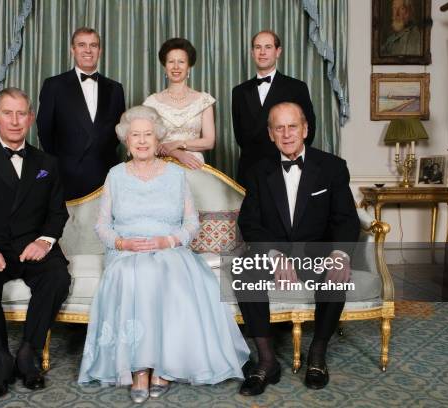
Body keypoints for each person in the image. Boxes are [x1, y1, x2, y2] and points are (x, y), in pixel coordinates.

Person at [78, 106, 249, 403]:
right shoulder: (115, 175)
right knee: (138, 274)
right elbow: (102, 225)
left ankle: (163, 366)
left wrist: (166, 240)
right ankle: (140, 369)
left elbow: (191, 224)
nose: (142, 141)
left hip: (168, 247)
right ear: (126, 140)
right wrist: (123, 244)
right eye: (135, 135)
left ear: (158, 140)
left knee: (165, 273)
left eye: (148, 135)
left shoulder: (175, 174)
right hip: (126, 250)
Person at [236, 102, 359, 394]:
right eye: (279, 128)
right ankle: (267, 361)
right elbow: (250, 223)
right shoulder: (257, 171)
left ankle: (317, 355)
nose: (287, 134)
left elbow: (346, 219)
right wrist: (274, 255)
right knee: (244, 274)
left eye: (293, 126)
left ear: (305, 129)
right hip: (275, 252)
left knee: (336, 274)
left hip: (316, 252)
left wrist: (340, 255)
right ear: (270, 134)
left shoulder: (332, 167)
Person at [0, 88, 71, 399]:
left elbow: (57, 212)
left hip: (32, 245)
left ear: (31, 118)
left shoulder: (48, 163)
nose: (15, 121)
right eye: (8, 113)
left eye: (22, 113)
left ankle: (27, 351)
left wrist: (45, 241)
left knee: (58, 277)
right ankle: (3, 358)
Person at [37, 27, 126, 200]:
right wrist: (65, 162)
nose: (88, 50)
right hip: (67, 175)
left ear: (99, 51)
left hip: (106, 174)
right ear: (73, 49)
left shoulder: (115, 88)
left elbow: (119, 131)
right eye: (82, 45)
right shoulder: (54, 85)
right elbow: (45, 130)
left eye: (93, 45)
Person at [232, 30, 316, 187]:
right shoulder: (239, 91)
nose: (262, 52)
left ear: (278, 52)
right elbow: (240, 136)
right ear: (252, 52)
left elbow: (308, 131)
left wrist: (289, 158)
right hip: (250, 170)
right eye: (258, 47)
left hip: (285, 167)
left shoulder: (297, 88)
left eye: (268, 47)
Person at [143, 38, 215, 169]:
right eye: (171, 62)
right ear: (165, 66)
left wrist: (179, 143)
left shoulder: (203, 100)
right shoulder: (151, 103)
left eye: (181, 62)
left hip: (194, 164)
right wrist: (176, 154)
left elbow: (209, 142)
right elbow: (147, 141)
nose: (176, 67)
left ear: (189, 67)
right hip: (161, 166)